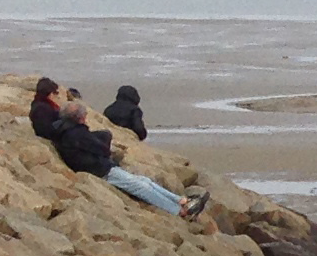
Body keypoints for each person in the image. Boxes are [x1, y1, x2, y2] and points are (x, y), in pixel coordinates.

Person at [30, 77, 202, 217]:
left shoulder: (69, 129)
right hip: (101, 169)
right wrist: (108, 152)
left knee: (144, 181)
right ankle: (180, 210)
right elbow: (100, 148)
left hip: (100, 166)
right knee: (140, 186)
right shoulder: (75, 133)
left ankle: (181, 200)